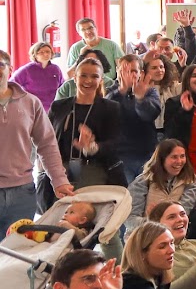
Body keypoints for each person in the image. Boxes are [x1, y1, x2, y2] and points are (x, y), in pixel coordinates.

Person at [0, 49, 74, 226]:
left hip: (22, 193)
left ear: (9, 70)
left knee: (18, 250)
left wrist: (59, 180)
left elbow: (47, 144)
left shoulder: (31, 102)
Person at [44, 57, 126, 205]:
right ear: (74, 78)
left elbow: (116, 143)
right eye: (83, 75)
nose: (88, 81)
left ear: (101, 80)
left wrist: (92, 147)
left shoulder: (111, 108)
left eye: (94, 76)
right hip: (62, 172)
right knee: (60, 219)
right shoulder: (58, 107)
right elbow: (47, 141)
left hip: (96, 171)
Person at [107, 54, 162, 182]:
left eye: (133, 71)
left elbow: (150, 114)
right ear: (118, 72)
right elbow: (108, 113)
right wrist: (122, 91)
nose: (129, 75)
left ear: (141, 73)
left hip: (146, 154)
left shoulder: (149, 91)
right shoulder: (111, 91)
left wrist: (140, 98)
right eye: (125, 71)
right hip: (121, 156)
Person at [126, 140, 196, 231]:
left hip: (175, 237)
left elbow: (183, 213)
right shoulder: (142, 182)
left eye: (182, 156)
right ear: (162, 159)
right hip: (144, 236)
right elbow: (130, 220)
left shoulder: (191, 182)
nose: (179, 161)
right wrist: (153, 223)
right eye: (174, 157)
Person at [67, 18, 124, 83]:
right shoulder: (75, 48)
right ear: (79, 33)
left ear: (96, 28)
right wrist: (81, 56)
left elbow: (122, 67)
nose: (88, 32)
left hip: (109, 84)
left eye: (90, 28)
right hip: (85, 86)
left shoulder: (111, 45)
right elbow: (70, 75)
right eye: (83, 30)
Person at [12, 41, 65, 110]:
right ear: (35, 54)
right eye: (41, 52)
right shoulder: (27, 70)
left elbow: (62, 87)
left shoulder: (56, 69)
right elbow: (12, 85)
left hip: (53, 108)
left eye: (48, 52)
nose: (45, 54)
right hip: (32, 108)